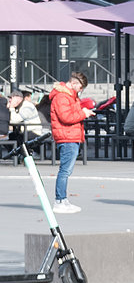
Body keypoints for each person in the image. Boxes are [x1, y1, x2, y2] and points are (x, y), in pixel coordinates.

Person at [47, 67, 90, 214]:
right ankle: (59, 200)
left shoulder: (68, 96)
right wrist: (83, 113)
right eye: (80, 87)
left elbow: (70, 115)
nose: (81, 90)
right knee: (65, 171)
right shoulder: (62, 97)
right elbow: (66, 117)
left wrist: (82, 112)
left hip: (69, 135)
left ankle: (62, 199)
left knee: (66, 170)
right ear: (74, 84)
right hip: (67, 136)